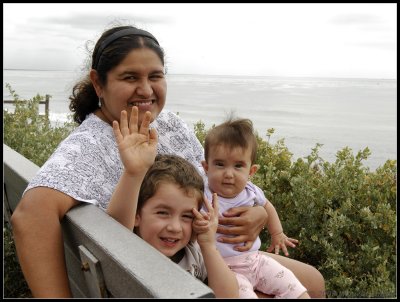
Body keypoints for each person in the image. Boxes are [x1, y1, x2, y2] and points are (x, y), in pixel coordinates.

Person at [10, 24, 325, 298]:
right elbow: (30, 217)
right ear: (98, 83)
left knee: (312, 280)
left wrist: (258, 211)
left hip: (204, 252)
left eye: (156, 76)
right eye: (130, 77)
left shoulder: (168, 123)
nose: (146, 89)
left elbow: (210, 182)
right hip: (171, 272)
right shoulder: (90, 145)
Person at [106, 107, 238, 298]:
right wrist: (133, 172)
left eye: (187, 216)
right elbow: (115, 232)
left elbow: (228, 295)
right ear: (136, 215)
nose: (175, 227)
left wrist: (208, 245)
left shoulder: (192, 253)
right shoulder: (132, 251)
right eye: (162, 212)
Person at [201, 117, 310, 298]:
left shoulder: (251, 191)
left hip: (257, 262)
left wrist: (277, 234)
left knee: (295, 289)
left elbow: (267, 206)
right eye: (220, 164)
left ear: (251, 171)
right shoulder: (202, 195)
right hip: (225, 271)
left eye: (238, 166)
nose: (229, 174)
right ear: (206, 167)